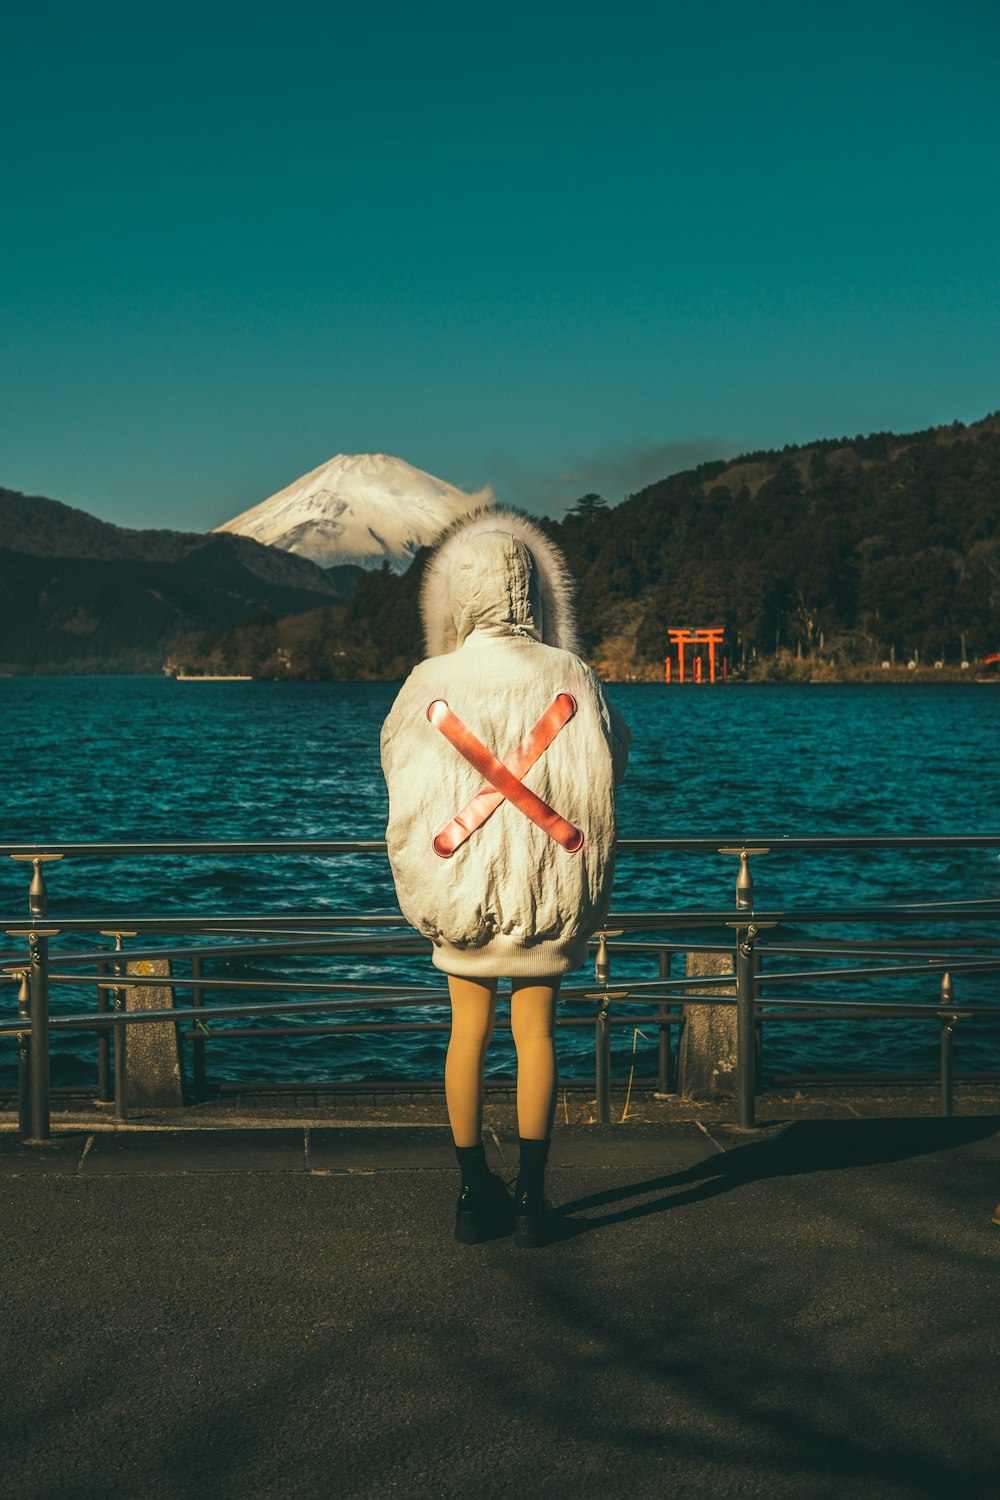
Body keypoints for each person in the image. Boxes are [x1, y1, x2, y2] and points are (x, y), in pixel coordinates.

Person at [380, 508, 629, 1247]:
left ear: (463, 594)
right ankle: (533, 1197)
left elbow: (398, 760)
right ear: (525, 591)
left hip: (464, 893)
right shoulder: (570, 675)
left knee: (468, 1033)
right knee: (536, 1034)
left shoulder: (430, 680)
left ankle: (470, 1194)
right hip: (546, 887)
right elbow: (613, 759)